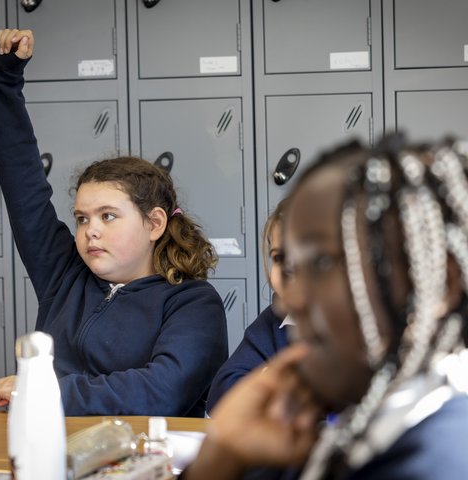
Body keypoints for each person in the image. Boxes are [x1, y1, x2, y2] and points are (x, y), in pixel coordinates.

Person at [180, 134, 468, 479]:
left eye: (320, 264)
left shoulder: (437, 458)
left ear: (439, 284)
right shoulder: (356, 426)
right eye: (289, 267)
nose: (290, 298)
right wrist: (221, 453)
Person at [0, 29, 228, 417]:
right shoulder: (64, 275)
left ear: (154, 223)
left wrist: (45, 391)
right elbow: (23, 184)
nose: (90, 230)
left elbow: (160, 392)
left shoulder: (194, 304)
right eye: (82, 218)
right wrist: (4, 78)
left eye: (108, 216)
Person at [206, 198, 293, 413]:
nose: (289, 269)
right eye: (279, 257)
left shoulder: (374, 329)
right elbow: (222, 395)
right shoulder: (276, 321)